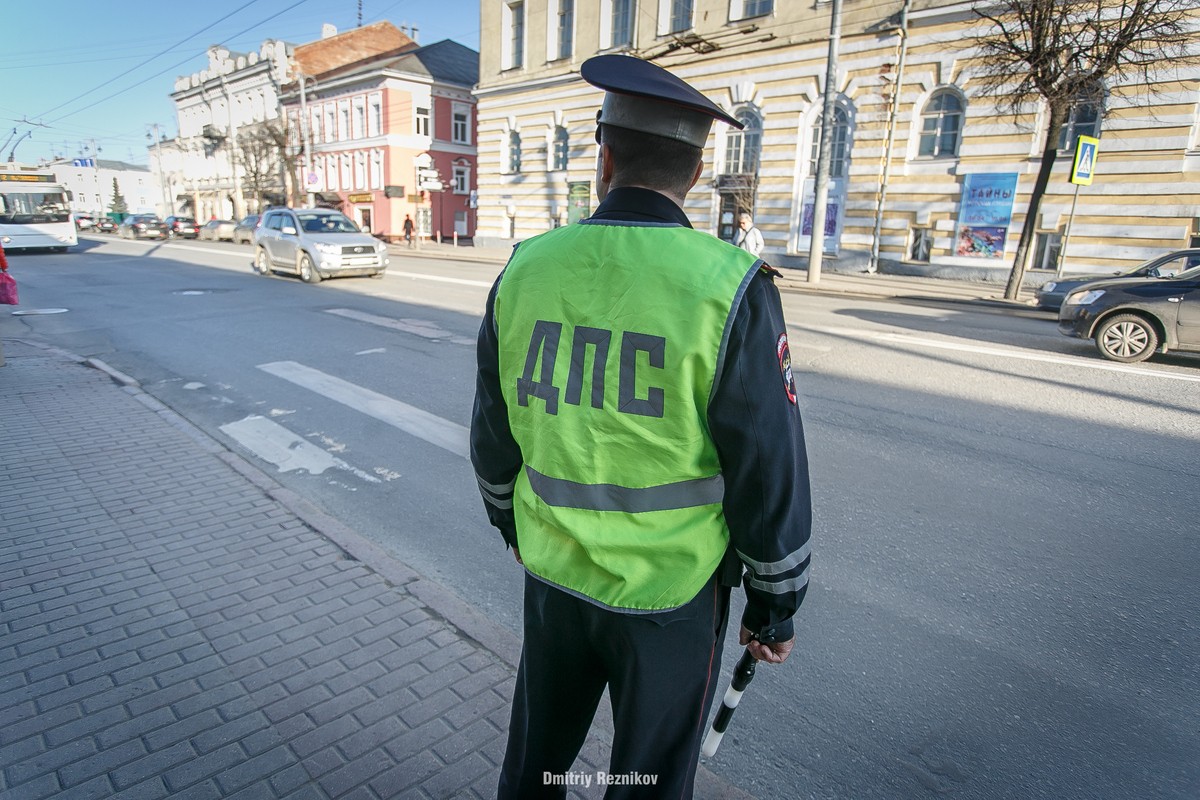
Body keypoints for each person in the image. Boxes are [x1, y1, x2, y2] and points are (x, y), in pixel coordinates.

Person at [471, 53, 812, 799]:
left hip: (555, 579)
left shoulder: (526, 268)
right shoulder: (729, 288)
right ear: (693, 174)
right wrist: (774, 606)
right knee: (647, 780)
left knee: (540, 762)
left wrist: (515, 528)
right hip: (671, 599)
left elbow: (493, 443)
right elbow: (767, 467)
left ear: (605, 158)